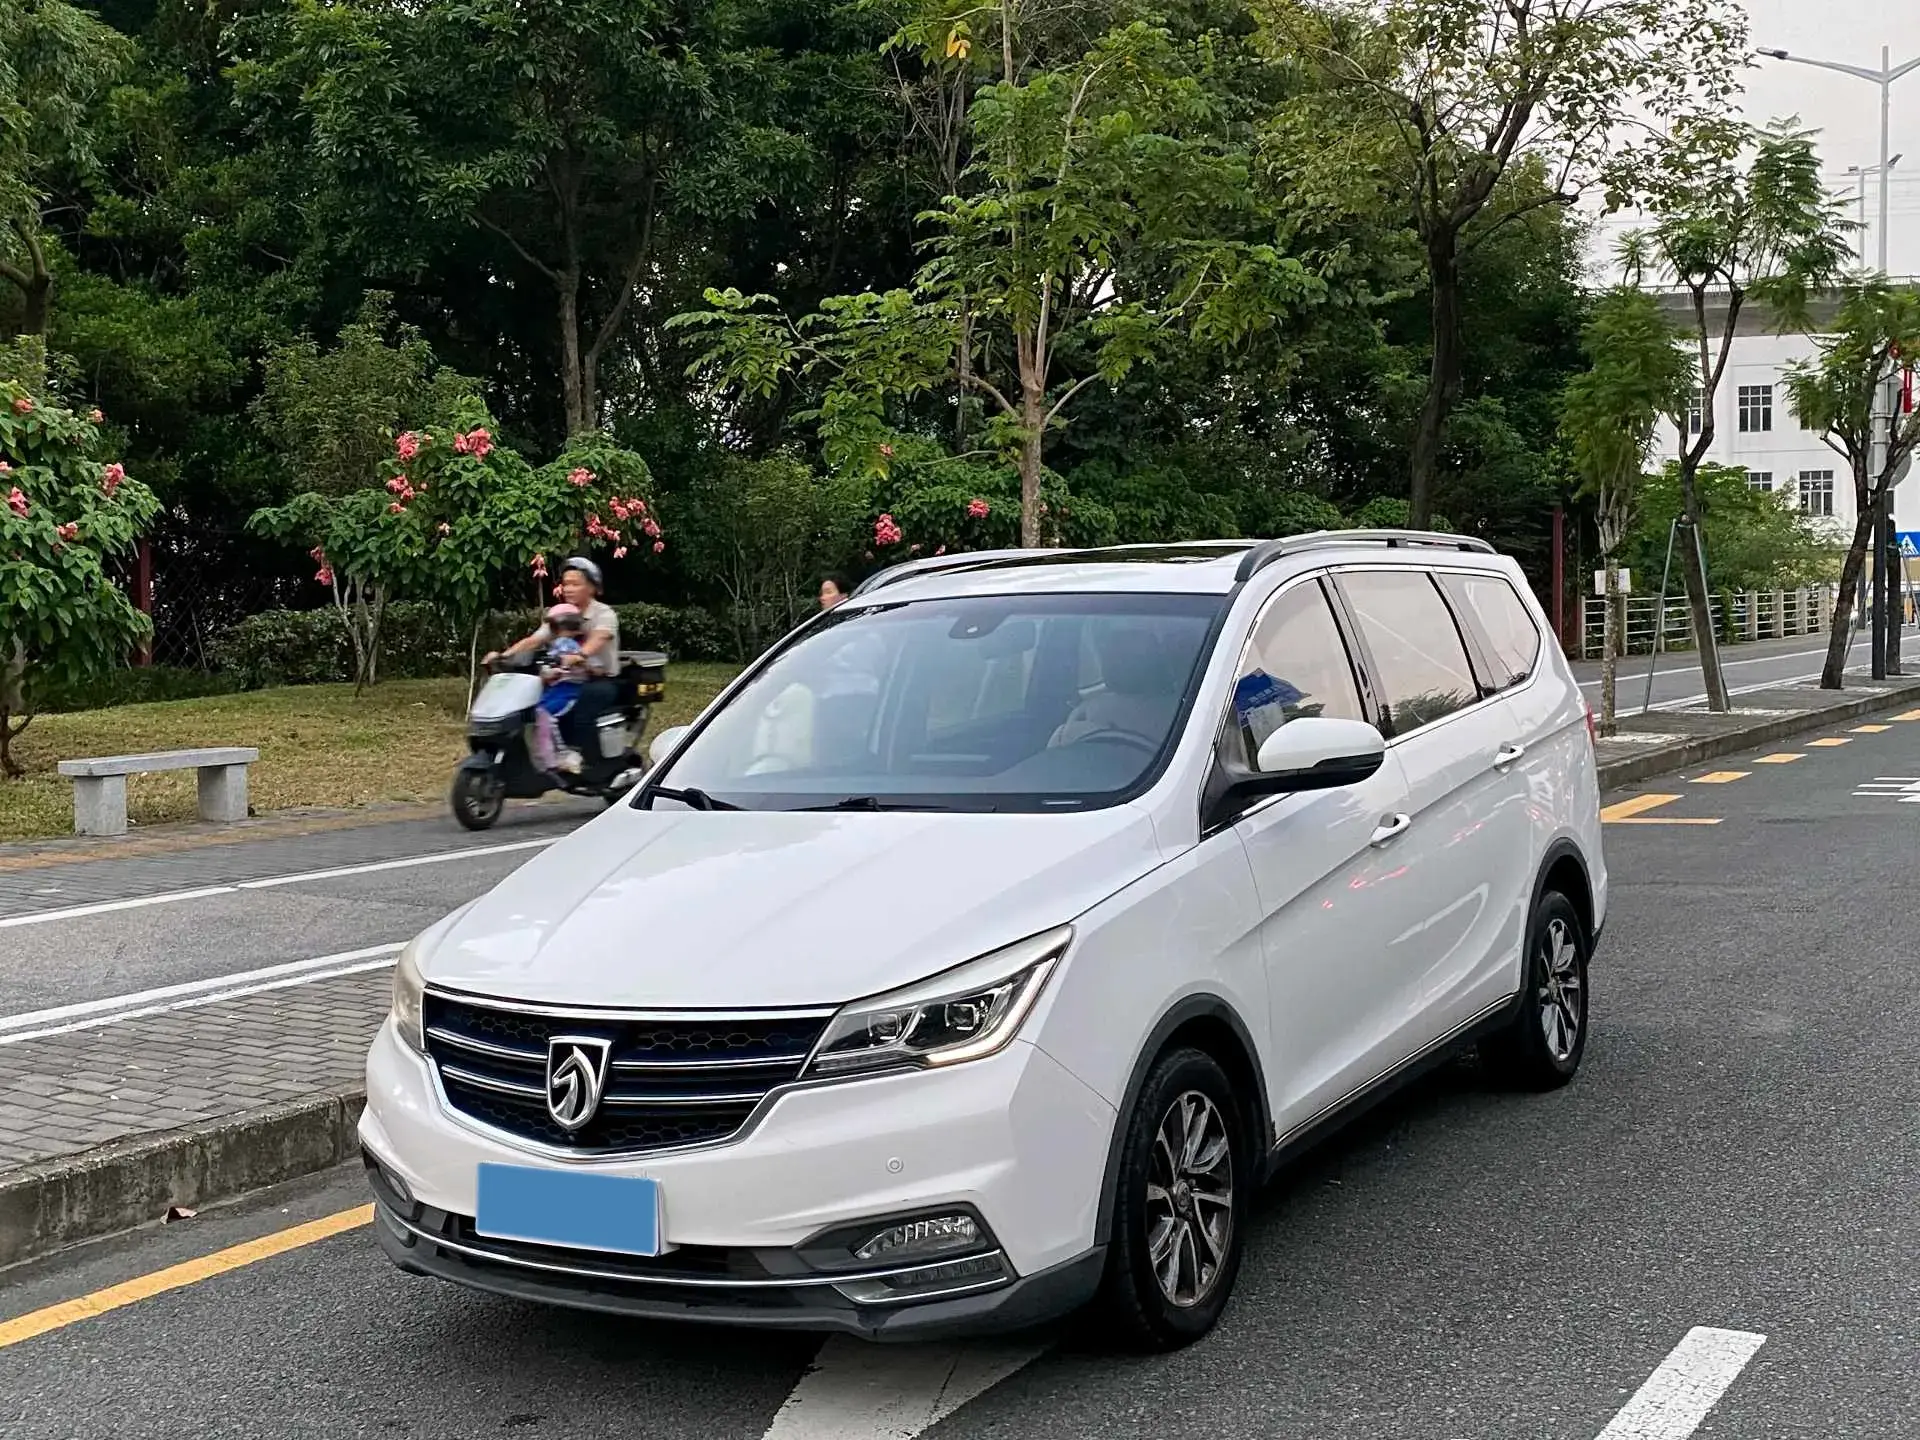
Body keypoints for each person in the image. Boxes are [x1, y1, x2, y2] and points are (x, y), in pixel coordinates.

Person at [486, 557, 622, 755]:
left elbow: (599, 637)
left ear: (592, 588)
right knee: (529, 702)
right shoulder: (561, 614)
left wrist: (579, 655)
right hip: (566, 677)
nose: (568, 589)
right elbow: (534, 640)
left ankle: (589, 762)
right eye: (566, 584)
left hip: (600, 679)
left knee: (582, 709)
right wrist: (502, 657)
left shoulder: (604, 614)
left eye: (575, 584)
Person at [533, 605, 588, 773]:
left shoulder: (567, 645)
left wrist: (557, 667)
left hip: (567, 691)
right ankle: (547, 755)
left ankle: (563, 755)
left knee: (546, 716)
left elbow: (568, 664)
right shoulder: (560, 644)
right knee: (537, 713)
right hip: (555, 690)